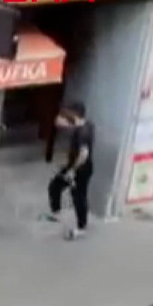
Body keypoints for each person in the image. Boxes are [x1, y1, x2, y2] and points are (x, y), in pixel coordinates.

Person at [42, 101, 95, 241]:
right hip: (74, 166)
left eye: (65, 116)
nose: (62, 120)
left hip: (81, 169)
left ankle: (81, 228)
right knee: (55, 186)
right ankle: (56, 213)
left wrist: (72, 171)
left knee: (79, 197)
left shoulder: (83, 132)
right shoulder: (86, 125)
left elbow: (84, 154)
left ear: (74, 116)